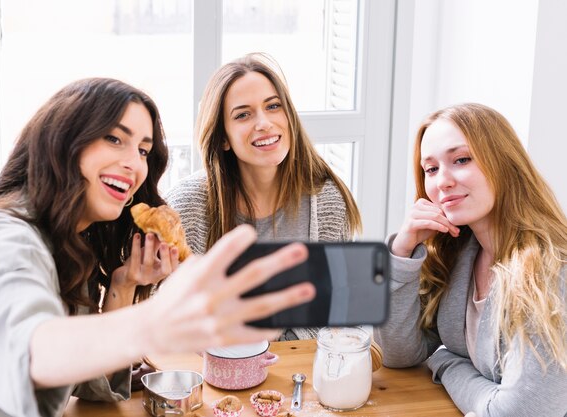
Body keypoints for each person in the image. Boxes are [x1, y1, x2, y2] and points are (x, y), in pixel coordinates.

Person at [0, 77, 316, 417]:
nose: (133, 164)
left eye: (142, 150)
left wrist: (123, 286)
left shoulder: (68, 247)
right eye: (115, 139)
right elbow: (28, 352)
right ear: (62, 141)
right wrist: (159, 320)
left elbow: (86, 383)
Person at [374, 103, 567, 416]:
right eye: (431, 169)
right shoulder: (461, 251)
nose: (442, 182)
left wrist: (445, 361)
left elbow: (519, 413)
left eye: (461, 160)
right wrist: (402, 252)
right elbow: (397, 352)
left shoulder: (551, 271)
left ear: (504, 163)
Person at [165, 53, 361, 340]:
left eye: (273, 106)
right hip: (214, 372)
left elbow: (337, 314)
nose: (264, 123)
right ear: (223, 138)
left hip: (302, 371)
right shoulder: (186, 207)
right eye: (243, 114)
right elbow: (169, 323)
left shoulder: (326, 199)